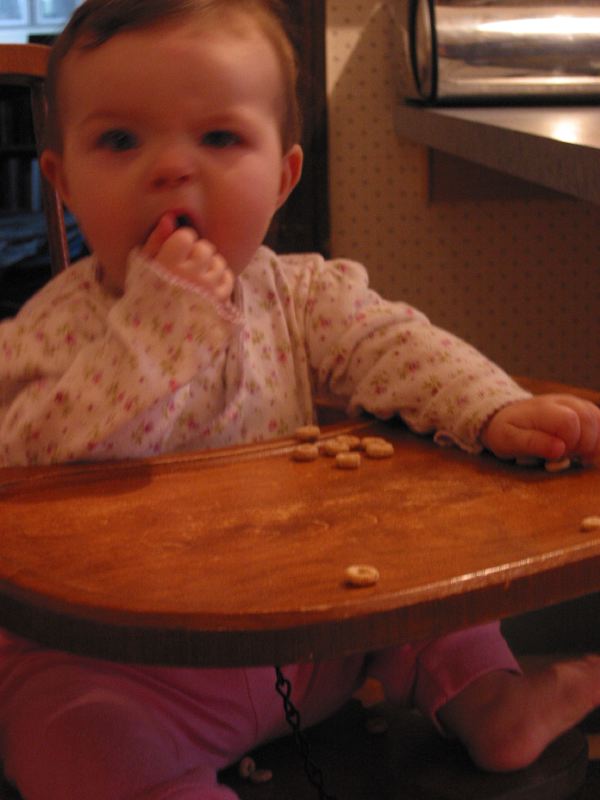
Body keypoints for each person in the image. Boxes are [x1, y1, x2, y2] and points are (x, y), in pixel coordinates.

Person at [0, 1, 599, 798]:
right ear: (64, 179)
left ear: (283, 177)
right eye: (120, 140)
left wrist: (491, 407)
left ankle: (493, 697)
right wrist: (154, 331)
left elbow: (397, 347)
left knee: (427, 594)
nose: (171, 168)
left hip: (320, 649)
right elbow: (33, 461)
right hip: (133, 679)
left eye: (218, 138)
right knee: (56, 730)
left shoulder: (301, 294)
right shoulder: (45, 332)